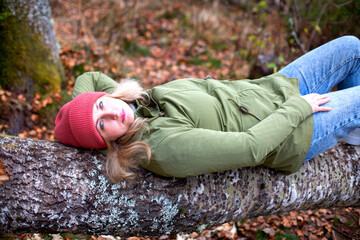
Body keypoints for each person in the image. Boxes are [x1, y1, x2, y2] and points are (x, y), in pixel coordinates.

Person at [54, 35, 360, 182]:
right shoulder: (161, 147)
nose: (111, 114)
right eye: (102, 125)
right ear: (107, 143)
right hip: (295, 131)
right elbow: (252, 147)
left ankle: (354, 132)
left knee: (351, 48)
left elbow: (89, 78)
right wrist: (298, 108)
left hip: (272, 89)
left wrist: (75, 114)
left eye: (102, 104)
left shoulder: (133, 105)